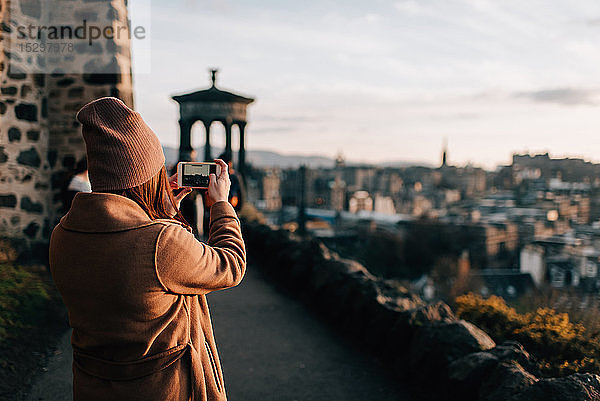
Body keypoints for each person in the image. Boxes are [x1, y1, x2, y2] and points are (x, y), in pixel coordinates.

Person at [49, 97, 246, 401]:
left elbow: (132, 252)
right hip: (163, 389)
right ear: (146, 177)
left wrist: (162, 210)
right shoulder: (161, 242)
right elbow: (230, 265)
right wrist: (220, 204)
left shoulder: (63, 234)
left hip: (93, 386)